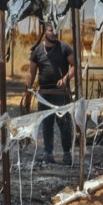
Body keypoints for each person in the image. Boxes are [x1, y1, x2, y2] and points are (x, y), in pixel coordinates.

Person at [24, 22, 76, 166]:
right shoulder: (37, 51)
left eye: (56, 29)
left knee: (63, 122)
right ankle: (48, 153)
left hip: (60, 92)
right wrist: (28, 88)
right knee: (47, 123)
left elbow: (75, 65)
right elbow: (31, 72)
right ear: (44, 32)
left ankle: (66, 154)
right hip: (44, 93)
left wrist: (65, 78)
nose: (54, 32)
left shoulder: (64, 48)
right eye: (51, 30)